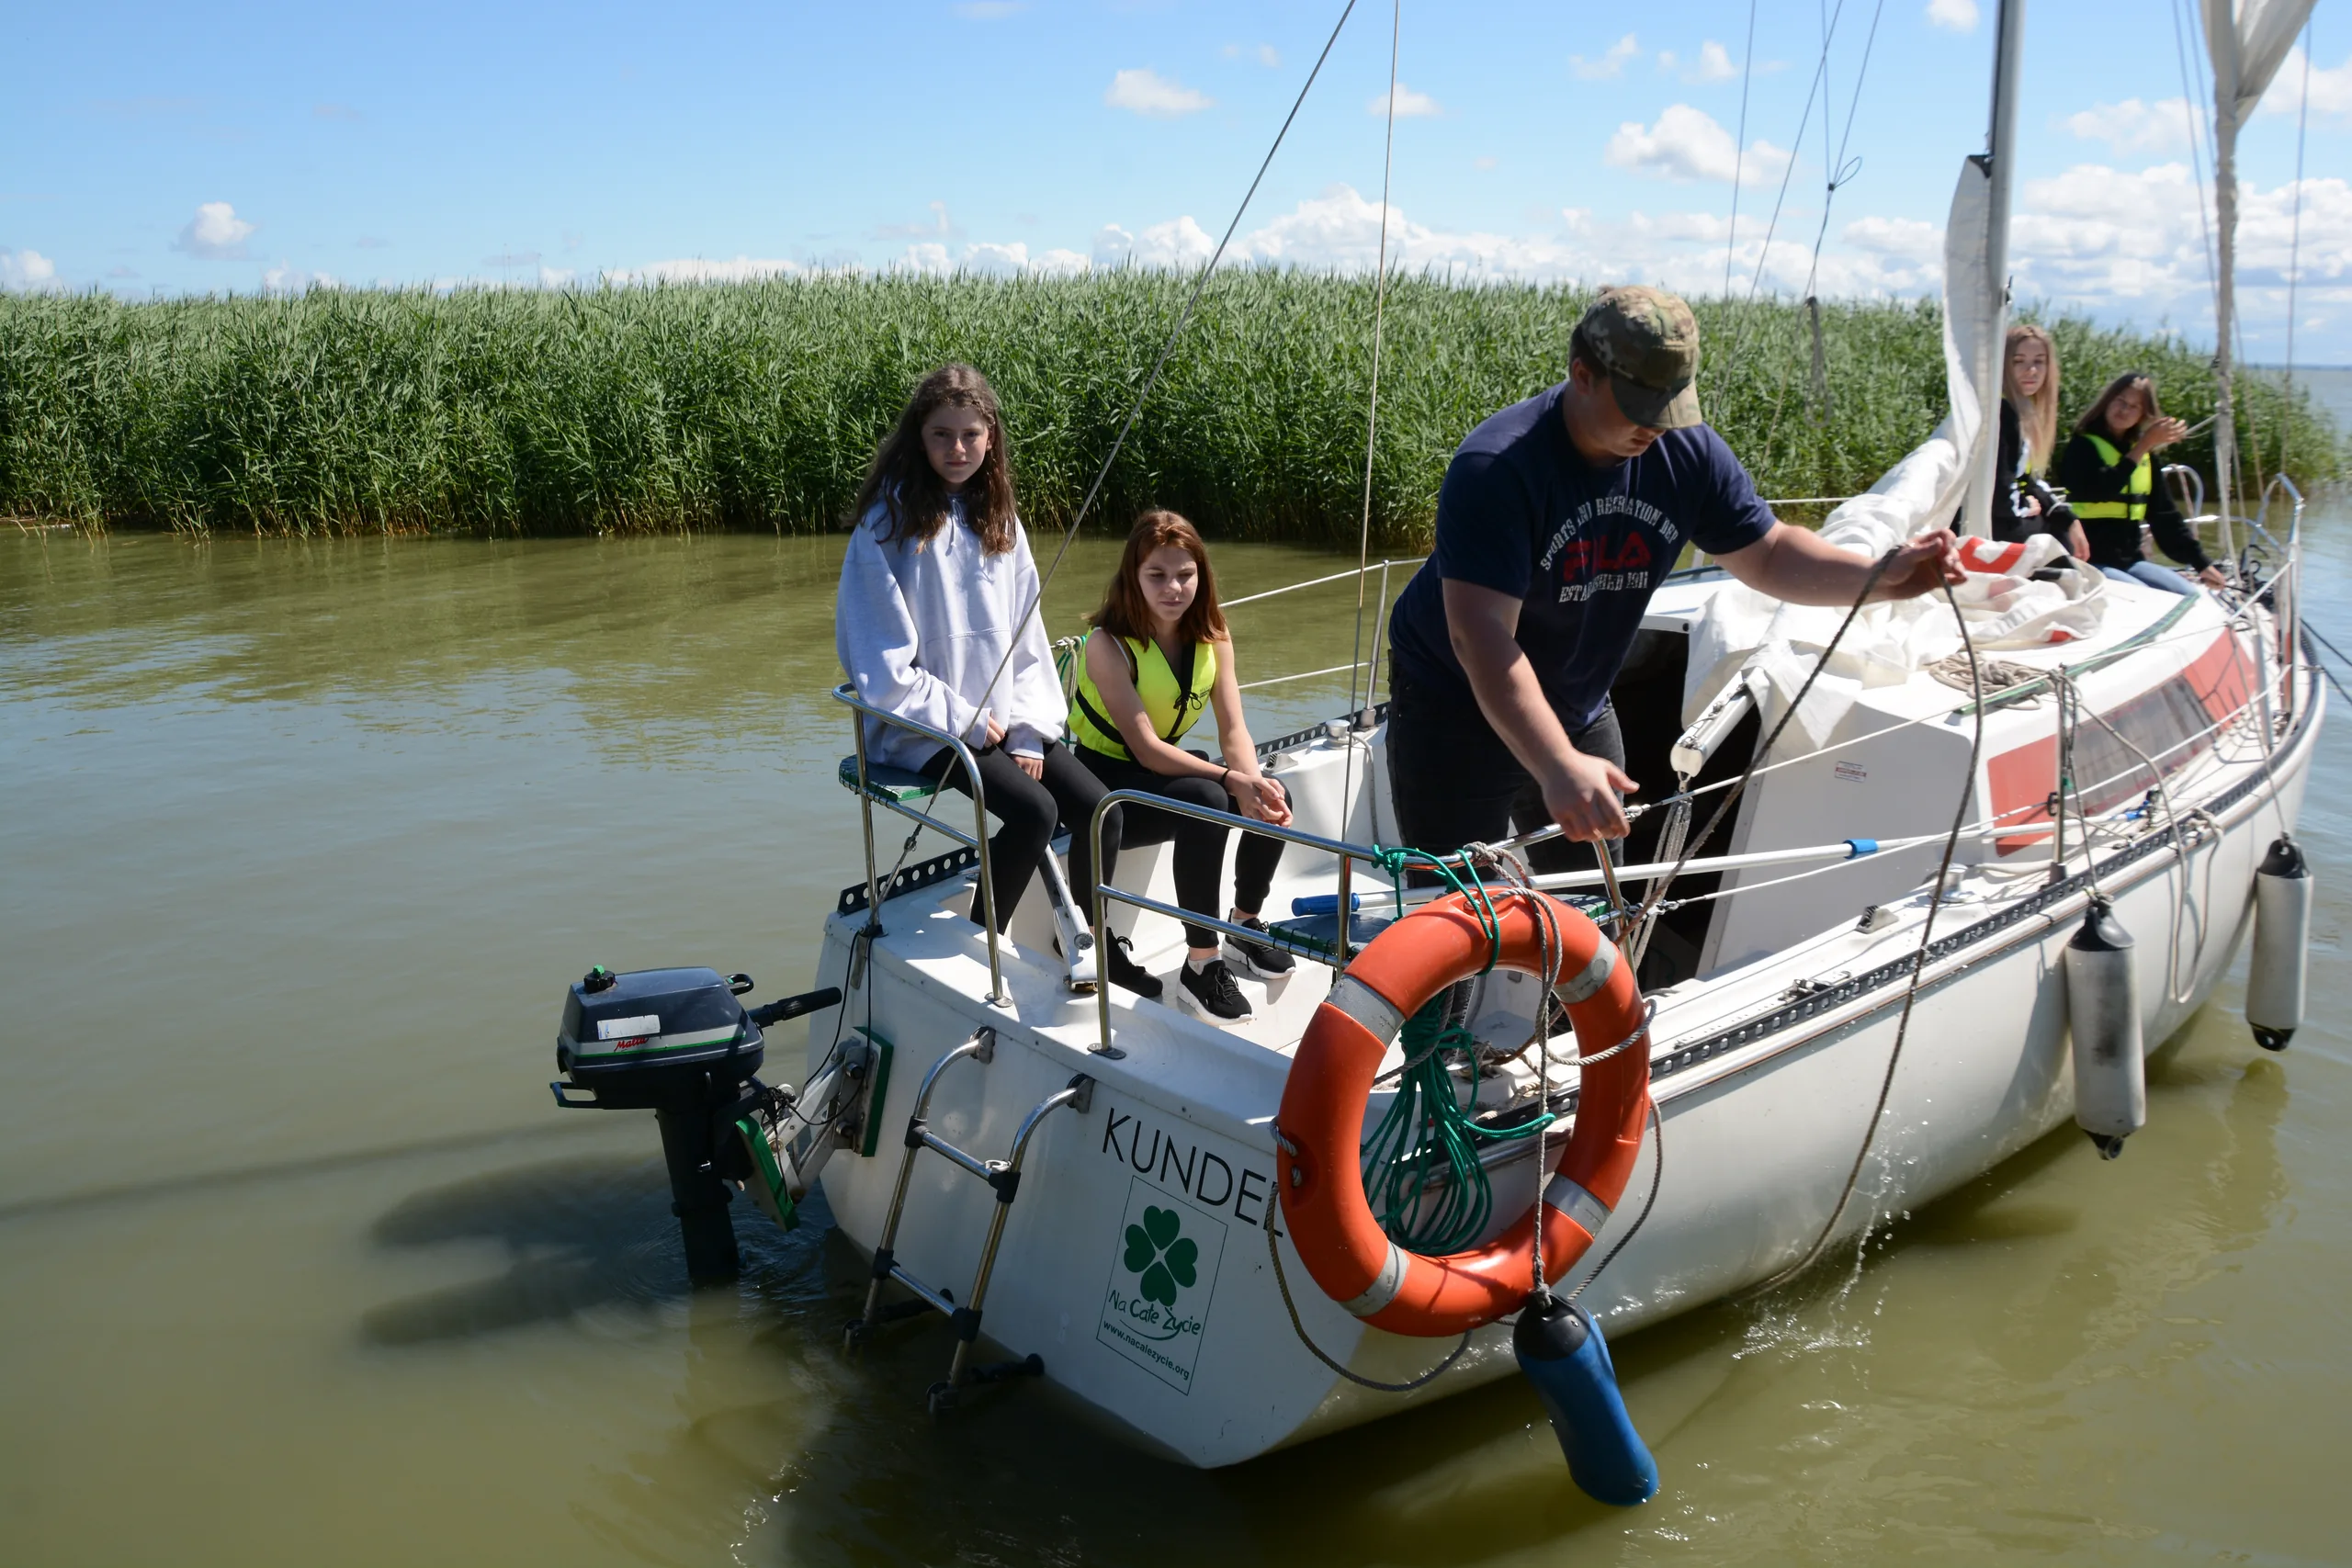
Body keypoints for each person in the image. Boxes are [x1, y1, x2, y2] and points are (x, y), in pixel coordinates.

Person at [1383, 286, 1964, 865]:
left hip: (1576, 698)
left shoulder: (1688, 452)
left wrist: (1881, 577)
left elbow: (1769, 554)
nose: (1657, 426)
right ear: (1582, 375)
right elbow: (1480, 635)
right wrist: (1556, 764)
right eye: (1640, 406)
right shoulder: (1498, 467)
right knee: (1454, 904)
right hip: (1456, 701)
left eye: (1672, 403)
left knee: (1597, 900)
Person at [835, 362, 1107, 991]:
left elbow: (1029, 639)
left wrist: (1031, 729)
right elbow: (882, 668)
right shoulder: (885, 526)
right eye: (940, 434)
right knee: (1036, 811)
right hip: (922, 726)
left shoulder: (1000, 519)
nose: (956, 449)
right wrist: (963, 719)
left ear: (991, 437)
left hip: (1004, 717)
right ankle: (982, 940)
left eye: (970, 434)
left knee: (1099, 808)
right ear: (917, 437)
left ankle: (1090, 946)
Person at [1070, 510, 1295, 1024]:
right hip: (1106, 784)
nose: (1173, 587)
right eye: (1157, 575)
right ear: (1134, 577)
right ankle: (1201, 963)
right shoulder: (1106, 645)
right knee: (1210, 798)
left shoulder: (1213, 634)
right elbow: (1146, 748)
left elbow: (1233, 730)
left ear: (1202, 575)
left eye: (1185, 574)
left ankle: (1244, 923)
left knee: (1273, 790)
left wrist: (1254, 783)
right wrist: (1227, 779)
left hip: (1158, 772)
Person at [2056, 370, 2226, 597]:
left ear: (2143, 415)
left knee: (2190, 596)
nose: (2124, 410)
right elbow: (2098, 489)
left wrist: (2201, 563)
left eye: (2134, 407)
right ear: (2107, 401)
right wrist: (2143, 446)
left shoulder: (2145, 456)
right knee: (2143, 597)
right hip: (2089, 561)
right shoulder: (2082, 446)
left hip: (2129, 561)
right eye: (2120, 401)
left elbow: (2165, 517)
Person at [1994, 323, 2087, 557]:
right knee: (2061, 543)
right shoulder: (2002, 413)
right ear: (2003, 364)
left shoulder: (2024, 412)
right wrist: (2025, 507)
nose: (2031, 370)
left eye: (2039, 361)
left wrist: (2065, 515)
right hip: (1996, 527)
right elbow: (2001, 492)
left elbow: (2029, 478)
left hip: (2008, 519)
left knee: (2062, 529)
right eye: (2018, 361)